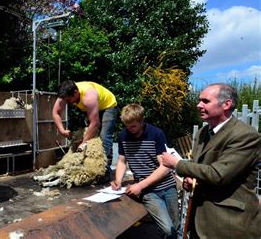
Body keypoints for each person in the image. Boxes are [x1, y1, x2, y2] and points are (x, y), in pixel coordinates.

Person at [162, 83, 260, 238]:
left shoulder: (245, 135)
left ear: (226, 104)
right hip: (198, 221)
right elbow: (198, 168)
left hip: (228, 224)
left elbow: (218, 175)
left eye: (205, 101)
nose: (198, 105)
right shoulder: (202, 133)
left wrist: (177, 164)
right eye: (200, 100)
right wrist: (190, 181)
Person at [111, 103, 178, 238]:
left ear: (142, 121)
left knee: (175, 227)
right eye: (127, 126)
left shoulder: (156, 134)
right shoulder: (123, 136)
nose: (129, 129)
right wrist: (118, 180)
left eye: (133, 126)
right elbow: (122, 161)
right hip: (148, 192)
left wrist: (139, 185)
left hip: (167, 186)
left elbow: (165, 166)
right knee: (168, 229)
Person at [52, 80, 118, 176]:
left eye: (69, 100)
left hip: (108, 106)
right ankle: (87, 165)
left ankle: (105, 169)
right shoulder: (65, 94)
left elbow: (95, 123)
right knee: (84, 135)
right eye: (65, 100)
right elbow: (55, 112)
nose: (68, 103)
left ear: (76, 92)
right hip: (93, 106)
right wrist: (62, 130)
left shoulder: (88, 97)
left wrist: (83, 143)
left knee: (104, 135)